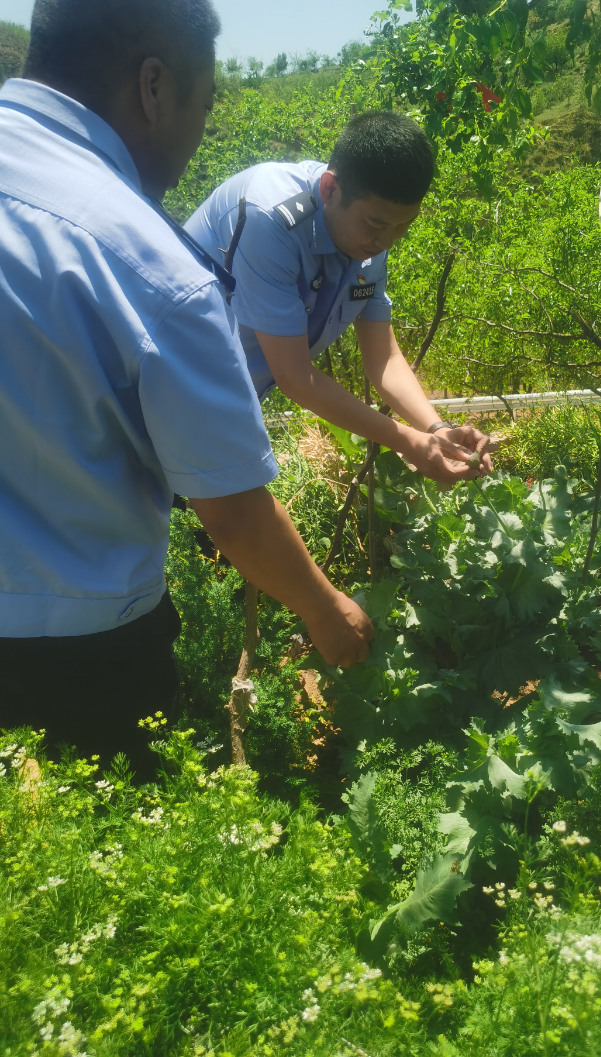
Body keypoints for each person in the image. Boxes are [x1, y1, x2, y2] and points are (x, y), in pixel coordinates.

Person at [0, 0, 373, 779]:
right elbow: (232, 512)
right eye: (204, 105)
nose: (199, 130)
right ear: (154, 87)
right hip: (78, 654)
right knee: (107, 838)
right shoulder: (152, 267)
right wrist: (325, 607)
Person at [184, 113, 493, 483]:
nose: (387, 241)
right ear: (329, 189)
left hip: (218, 399)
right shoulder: (269, 219)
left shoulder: (369, 234)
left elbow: (383, 358)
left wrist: (435, 429)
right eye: (376, 224)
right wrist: (409, 442)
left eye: (403, 227)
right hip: (166, 384)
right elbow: (295, 376)